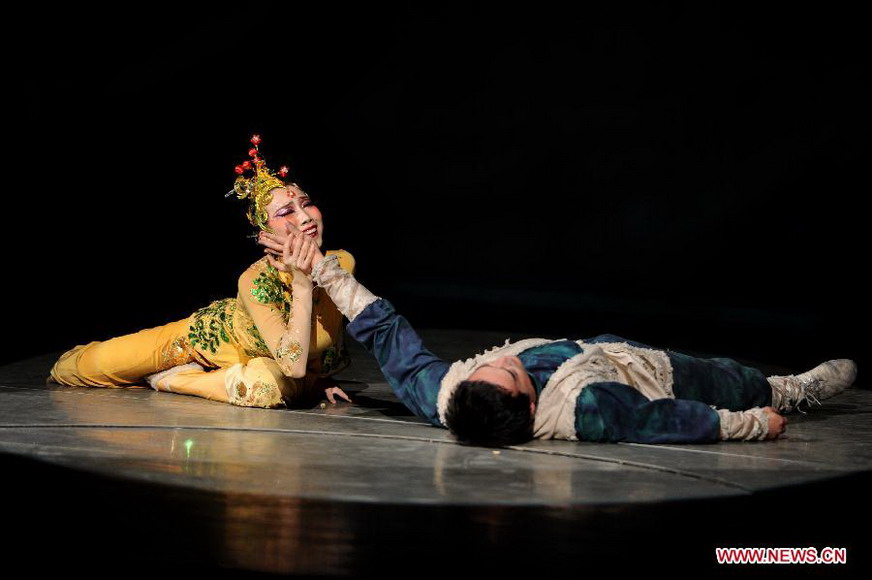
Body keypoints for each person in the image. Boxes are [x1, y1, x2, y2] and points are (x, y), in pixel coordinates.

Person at [259, 225, 858, 445]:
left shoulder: (446, 394)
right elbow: (671, 421)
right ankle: (786, 392)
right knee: (728, 379)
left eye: (483, 367)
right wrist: (753, 424)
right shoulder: (593, 409)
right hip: (637, 375)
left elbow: (385, 331)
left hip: (583, 347)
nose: (493, 362)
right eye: (509, 372)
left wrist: (321, 269)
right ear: (528, 401)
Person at [49, 136, 354, 408]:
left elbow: (302, 359)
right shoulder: (255, 280)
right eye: (287, 212)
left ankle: (176, 380)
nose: (305, 218)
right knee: (81, 368)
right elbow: (296, 364)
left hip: (267, 363)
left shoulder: (342, 264)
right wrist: (302, 283)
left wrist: (316, 380)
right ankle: (173, 374)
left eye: (307, 204)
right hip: (204, 338)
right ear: (264, 232)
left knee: (265, 388)